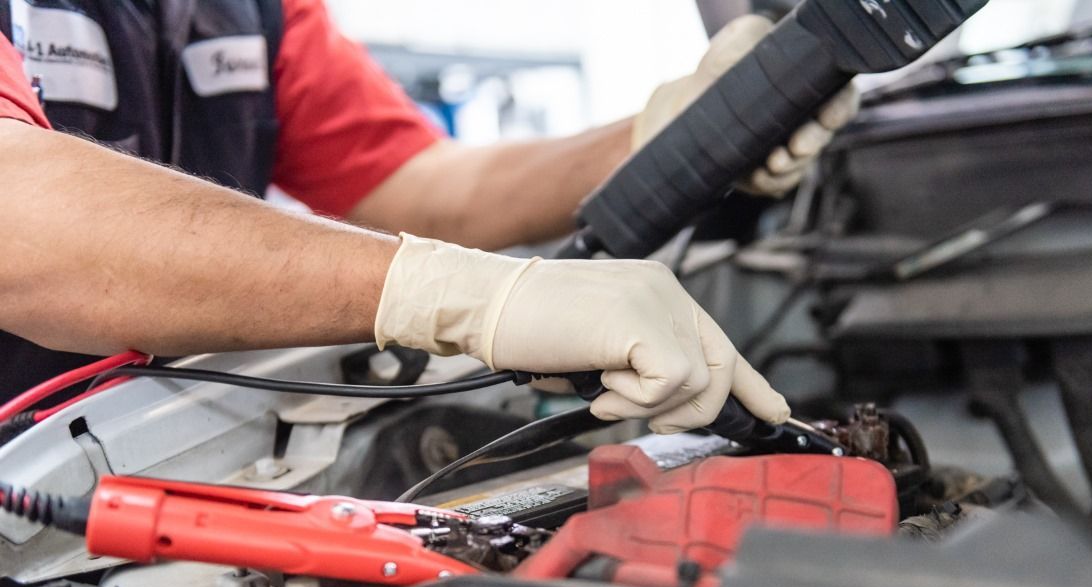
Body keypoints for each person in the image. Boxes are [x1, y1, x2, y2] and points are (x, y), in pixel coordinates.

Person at [0, 1, 856, 434]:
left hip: (150, 460)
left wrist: (669, 131)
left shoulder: (255, 11)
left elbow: (423, 183)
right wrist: (457, 297)